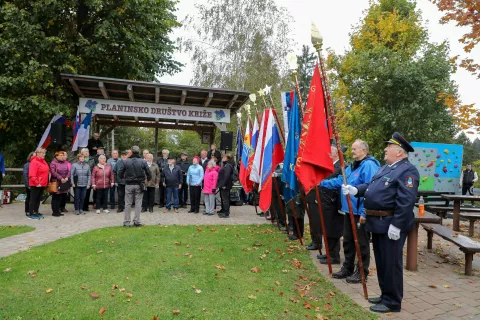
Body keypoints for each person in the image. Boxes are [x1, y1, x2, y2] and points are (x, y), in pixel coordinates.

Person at [342, 132, 419, 314]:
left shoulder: (408, 171)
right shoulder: (387, 168)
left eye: (389, 147)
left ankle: (393, 301)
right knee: (383, 262)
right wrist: (356, 190)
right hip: (378, 223)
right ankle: (386, 295)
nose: (385, 149)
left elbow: (406, 201)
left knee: (391, 263)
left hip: (390, 223)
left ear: (399, 152)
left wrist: (397, 225)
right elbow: (371, 187)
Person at [320, 139, 380, 284]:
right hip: (349, 210)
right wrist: (321, 183)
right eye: (352, 149)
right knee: (348, 241)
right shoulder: (353, 166)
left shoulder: (369, 165)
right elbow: (341, 180)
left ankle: (361, 272)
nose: (352, 151)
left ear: (363, 151)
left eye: (354, 149)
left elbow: (371, 189)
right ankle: (347, 267)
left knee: (361, 243)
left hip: (360, 211)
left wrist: (365, 212)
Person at [308, 146, 344, 265]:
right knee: (326, 229)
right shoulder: (330, 165)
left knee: (333, 230)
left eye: (329, 153)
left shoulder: (341, 166)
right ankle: (329, 253)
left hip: (333, 202)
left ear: (335, 154)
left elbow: (336, 182)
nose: (327, 155)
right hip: (325, 202)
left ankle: (334, 256)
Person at [118, 146, 151, 227]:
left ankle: (126, 222)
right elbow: (149, 173)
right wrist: (148, 180)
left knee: (128, 203)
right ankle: (136, 221)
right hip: (139, 184)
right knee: (138, 204)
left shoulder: (126, 161)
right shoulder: (143, 161)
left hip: (129, 184)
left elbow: (120, 173)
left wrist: (123, 178)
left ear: (131, 152)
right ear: (139, 152)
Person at [28, 148, 49, 219]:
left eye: (44, 153)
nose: (44, 154)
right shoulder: (34, 161)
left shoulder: (43, 161)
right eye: (43, 153)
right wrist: (37, 182)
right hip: (36, 183)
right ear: (38, 153)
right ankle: (31, 213)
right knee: (33, 199)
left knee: (38, 199)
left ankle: (36, 211)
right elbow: (32, 174)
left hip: (42, 183)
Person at [49, 151, 71, 217]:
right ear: (57, 156)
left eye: (63, 155)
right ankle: (55, 211)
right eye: (61, 155)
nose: (62, 156)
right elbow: (53, 172)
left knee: (61, 196)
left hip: (64, 181)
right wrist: (60, 178)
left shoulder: (65, 163)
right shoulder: (53, 163)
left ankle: (59, 210)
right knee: (56, 197)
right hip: (56, 181)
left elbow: (69, 170)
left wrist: (67, 177)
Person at [80, 148, 95, 212]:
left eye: (87, 151)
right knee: (81, 193)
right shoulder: (80, 159)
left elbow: (94, 169)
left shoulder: (92, 160)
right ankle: (81, 207)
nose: (86, 152)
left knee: (87, 193)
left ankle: (86, 207)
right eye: (85, 152)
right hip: (81, 178)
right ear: (82, 153)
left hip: (89, 178)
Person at [23, 152, 35, 217]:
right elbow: (25, 174)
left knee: (34, 198)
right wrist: (28, 184)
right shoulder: (27, 165)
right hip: (29, 184)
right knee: (29, 197)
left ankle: (33, 210)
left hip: (35, 183)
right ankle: (27, 210)